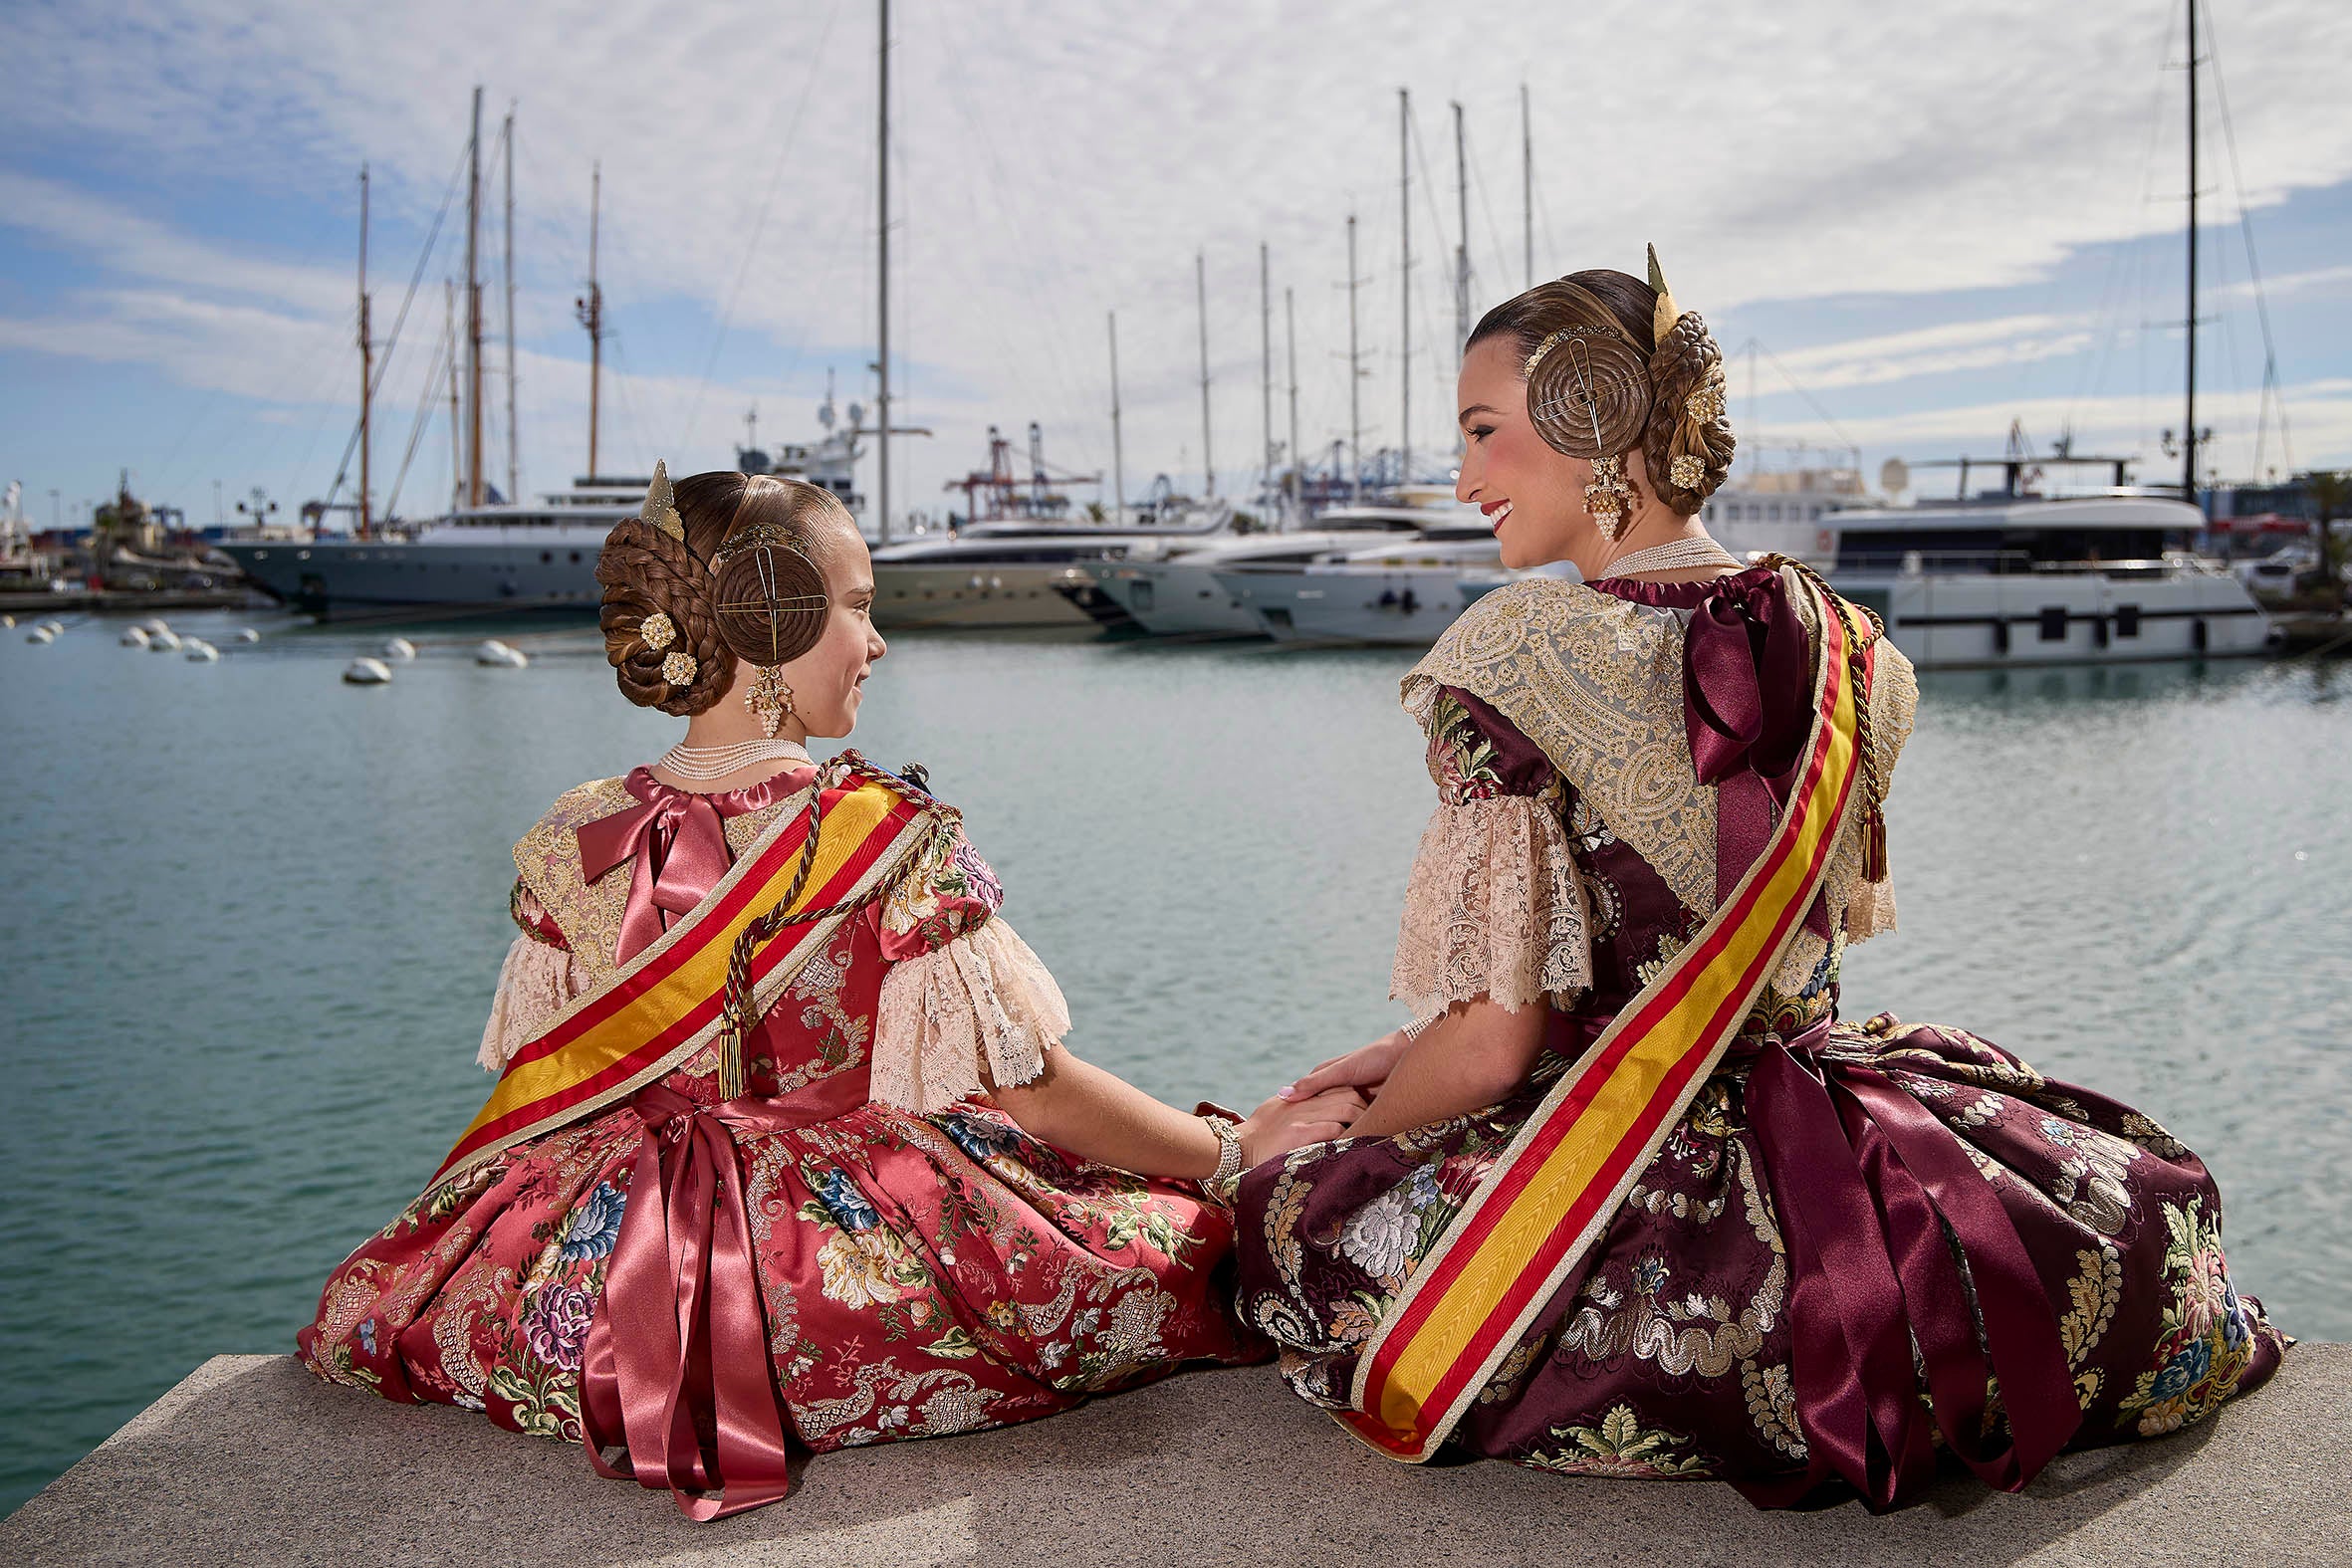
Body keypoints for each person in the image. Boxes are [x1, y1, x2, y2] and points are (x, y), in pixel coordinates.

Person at [1232, 252, 2286, 1510]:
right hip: (1839, 1124)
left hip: (1634, 1169)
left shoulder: (1513, 651)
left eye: (1480, 433)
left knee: (1286, 1206)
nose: (1462, 480)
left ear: (1590, 424)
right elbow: (1742, 970)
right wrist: (1392, 1047)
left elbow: (1493, 1052)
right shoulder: (1853, 647)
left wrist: (1322, 1128)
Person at [298, 468, 1359, 1517]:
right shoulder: (889, 838)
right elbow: (1029, 1091)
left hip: (604, 1285)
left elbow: (551, 1092)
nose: (877, 641)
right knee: (1169, 1245)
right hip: (828, 1276)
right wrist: (1230, 1152)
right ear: (775, 621)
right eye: (857, 606)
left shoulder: (573, 838)